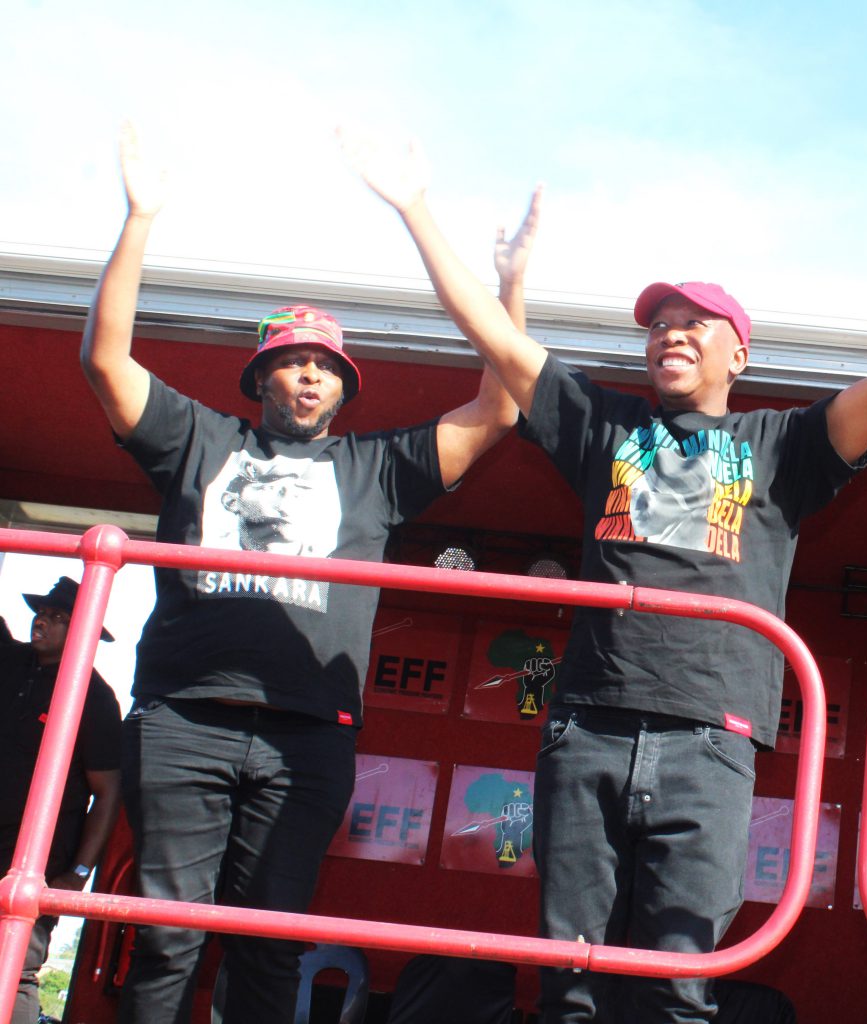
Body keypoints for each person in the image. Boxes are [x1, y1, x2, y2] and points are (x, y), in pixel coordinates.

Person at [346, 132, 867, 1021]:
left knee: (677, 993)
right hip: (587, 729)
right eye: (659, 325)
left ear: (739, 354)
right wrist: (417, 211)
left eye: (693, 324)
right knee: (570, 988)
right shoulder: (601, 425)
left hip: (711, 740)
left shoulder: (780, 446)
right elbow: (495, 341)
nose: (670, 335)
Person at [78, 124, 524, 1024]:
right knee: (165, 932)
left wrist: (509, 284)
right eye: (292, 362)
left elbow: (501, 405)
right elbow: (103, 361)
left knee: (269, 941)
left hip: (309, 735)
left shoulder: (376, 469)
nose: (309, 377)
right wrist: (140, 219)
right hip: (185, 718)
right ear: (260, 376)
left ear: (346, 386)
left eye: (325, 366)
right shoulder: (201, 439)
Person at [2, 577, 122, 1024]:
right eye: (44, 613)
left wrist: (79, 872)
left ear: (85, 632)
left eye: (60, 619)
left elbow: (108, 792)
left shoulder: (96, 698)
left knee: (15, 969)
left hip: (36, 858)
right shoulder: (7, 659)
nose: (43, 622)